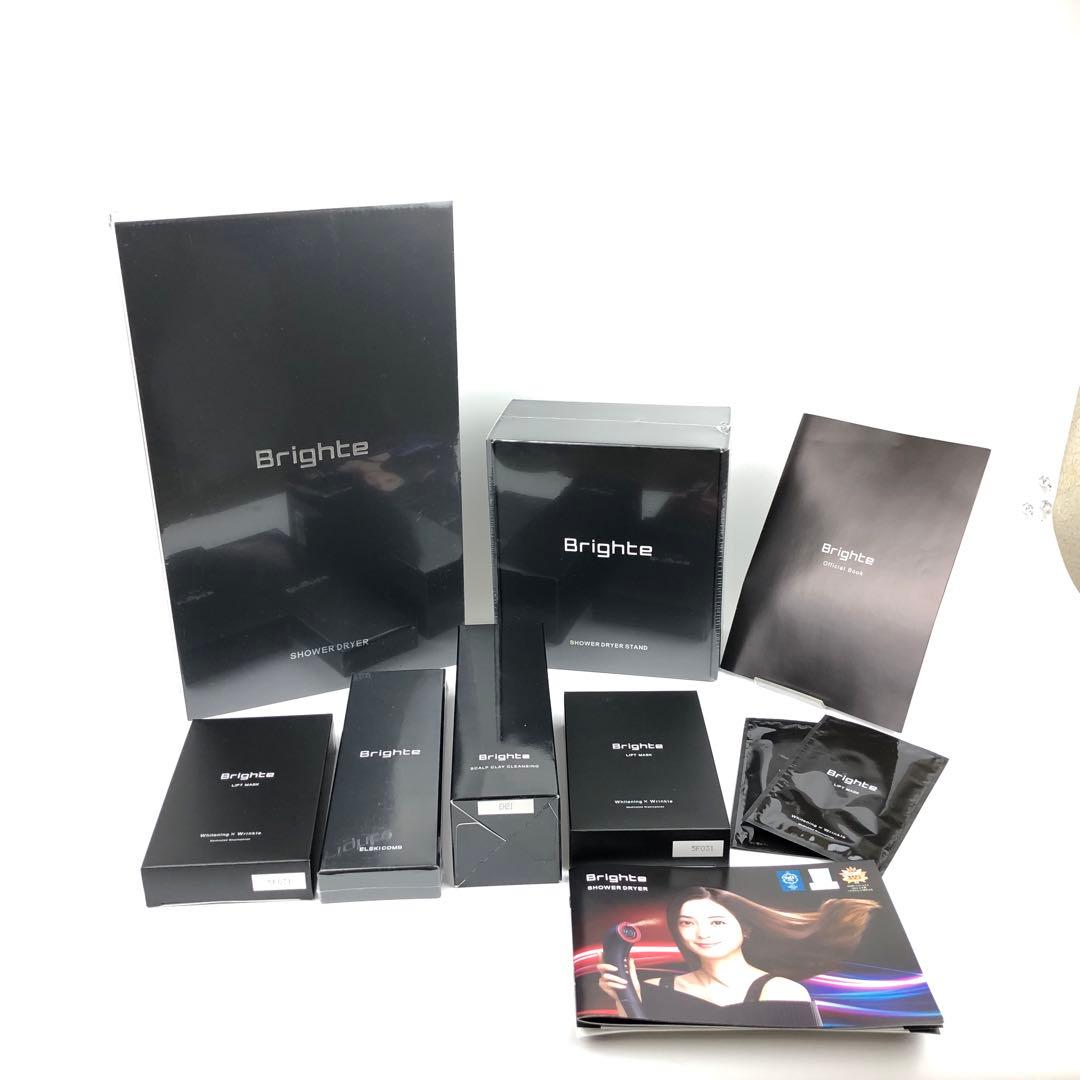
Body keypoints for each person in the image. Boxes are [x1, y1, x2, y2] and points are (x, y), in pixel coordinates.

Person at [598, 886, 879, 1025]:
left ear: (745, 929)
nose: (702, 933)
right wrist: (626, 996)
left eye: (717, 922)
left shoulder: (782, 991)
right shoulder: (651, 989)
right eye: (687, 922)